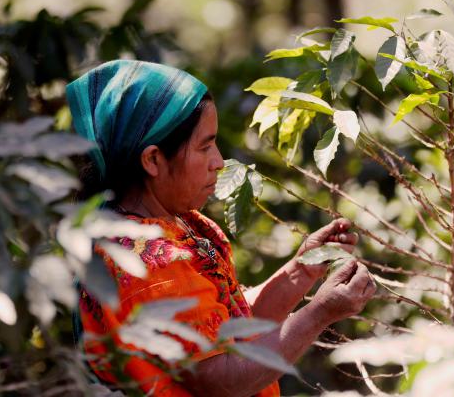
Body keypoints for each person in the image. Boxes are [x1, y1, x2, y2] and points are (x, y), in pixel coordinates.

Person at [67, 60, 376, 397]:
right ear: (153, 160)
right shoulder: (150, 261)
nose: (218, 161)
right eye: (204, 147)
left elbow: (227, 323)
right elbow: (220, 380)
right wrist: (320, 313)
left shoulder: (180, 225)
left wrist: (301, 272)